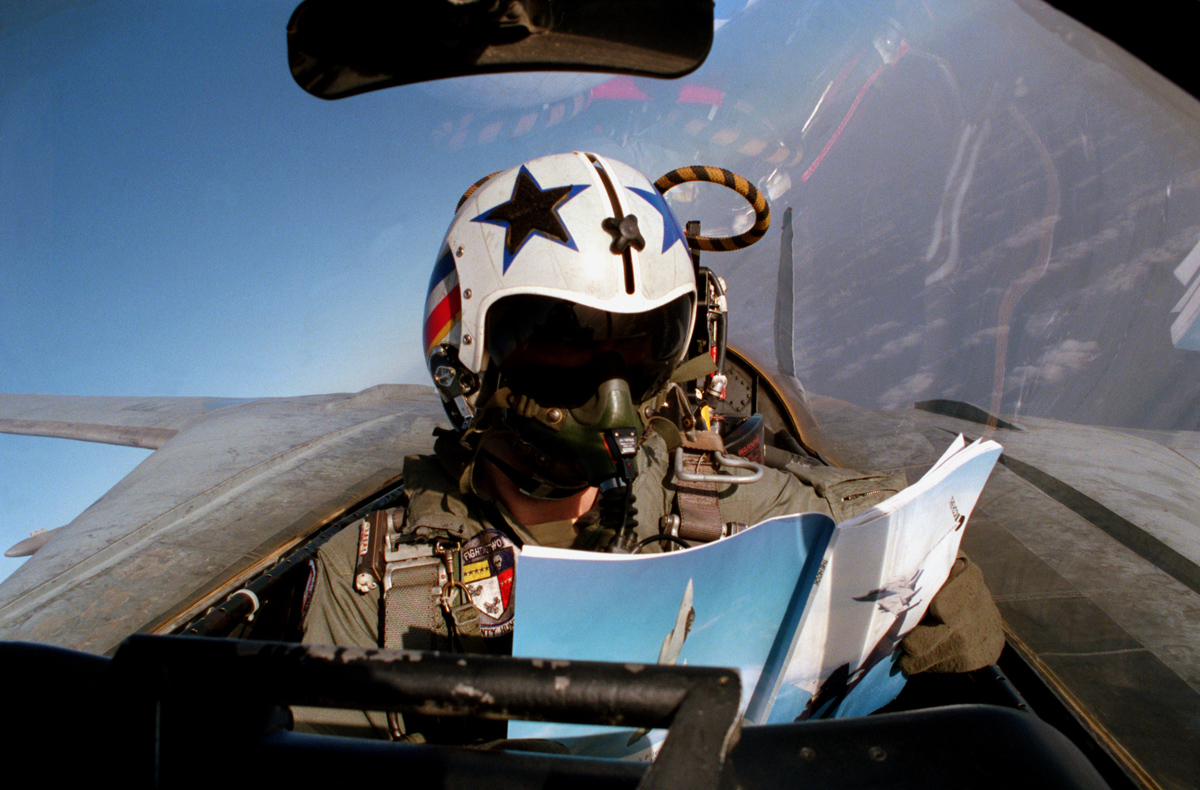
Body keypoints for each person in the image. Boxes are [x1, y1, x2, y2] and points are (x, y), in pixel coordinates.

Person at [297, 151, 1003, 741]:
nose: (613, 408)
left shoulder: (724, 499)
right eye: (566, 353)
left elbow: (877, 513)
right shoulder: (377, 585)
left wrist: (934, 561)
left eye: (638, 355)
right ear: (468, 355)